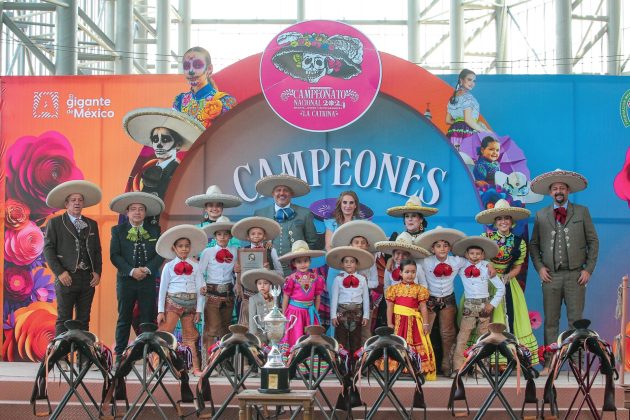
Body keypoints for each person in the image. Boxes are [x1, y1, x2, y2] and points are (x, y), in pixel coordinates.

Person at [530, 169, 599, 375]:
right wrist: (540, 268)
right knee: (550, 321)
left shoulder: (582, 211)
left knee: (575, 322)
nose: (558, 191)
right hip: (551, 276)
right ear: (550, 192)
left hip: (576, 275)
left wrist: (588, 269)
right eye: (555, 188)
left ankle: (575, 364)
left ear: (568, 190)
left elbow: (593, 242)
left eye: (562, 187)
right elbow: (534, 245)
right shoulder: (541, 214)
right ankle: (550, 364)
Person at [475, 199, 539, 367]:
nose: (503, 222)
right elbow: (478, 258)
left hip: (508, 282)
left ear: (512, 222)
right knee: (482, 318)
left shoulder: (519, 242)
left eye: (506, 218)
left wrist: (506, 278)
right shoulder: (485, 238)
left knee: (511, 317)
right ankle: (484, 359)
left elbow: (518, 267)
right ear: (494, 222)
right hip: (486, 282)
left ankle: (509, 359)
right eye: (499, 219)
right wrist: (490, 267)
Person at [109, 192, 165, 360]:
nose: (137, 212)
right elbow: (115, 255)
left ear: (145, 212)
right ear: (127, 212)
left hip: (147, 280)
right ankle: (119, 353)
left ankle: (148, 353)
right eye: (133, 209)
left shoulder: (155, 230)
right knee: (124, 317)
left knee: (148, 317)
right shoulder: (118, 230)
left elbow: (160, 254)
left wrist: (147, 269)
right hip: (126, 281)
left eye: (141, 209)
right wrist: (132, 271)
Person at [44, 180, 103, 337]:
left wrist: (97, 272)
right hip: (66, 277)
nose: (77, 203)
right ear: (66, 203)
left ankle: (83, 358)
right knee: (64, 319)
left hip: (87, 278)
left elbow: (97, 250)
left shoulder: (91, 224)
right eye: (73, 200)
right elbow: (48, 250)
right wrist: (60, 272)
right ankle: (60, 359)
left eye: (80, 200)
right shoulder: (55, 223)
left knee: (84, 319)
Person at [416, 226, 468, 376]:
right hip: (430, 300)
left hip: (448, 299)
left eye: (445, 245)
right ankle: (425, 365)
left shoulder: (457, 261)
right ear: (432, 248)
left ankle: (447, 365)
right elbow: (409, 263)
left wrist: (488, 264)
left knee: (448, 333)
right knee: (426, 330)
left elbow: (474, 261)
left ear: (450, 247)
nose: (442, 248)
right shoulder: (425, 261)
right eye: (438, 246)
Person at [155, 224, 207, 375]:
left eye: (187, 246)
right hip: (173, 303)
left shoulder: (196, 266)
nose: (184, 249)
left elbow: (200, 289)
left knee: (190, 337)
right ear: (174, 248)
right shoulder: (169, 266)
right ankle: (156, 365)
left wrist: (198, 310)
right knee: (165, 334)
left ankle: (195, 368)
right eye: (181, 246)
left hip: (190, 305)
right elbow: (163, 289)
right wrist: (160, 311)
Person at [123, 108, 205, 201]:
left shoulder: (182, 174)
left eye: (165, 139)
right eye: (155, 140)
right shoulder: (145, 170)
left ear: (178, 145)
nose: (159, 144)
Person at [451, 236, 505, 373]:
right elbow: (450, 259)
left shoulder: (487, 268)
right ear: (466, 254)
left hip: (484, 305)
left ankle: (481, 369)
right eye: (472, 253)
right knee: (463, 336)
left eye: (478, 254)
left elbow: (501, 288)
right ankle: (458, 367)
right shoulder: (462, 265)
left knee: (484, 338)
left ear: (483, 255)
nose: (474, 256)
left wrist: (491, 305)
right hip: (469, 305)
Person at [330, 220, 387, 341]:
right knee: (343, 332)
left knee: (364, 331)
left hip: (365, 301)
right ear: (351, 245)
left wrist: (364, 282)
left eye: (363, 243)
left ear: (367, 246)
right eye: (356, 242)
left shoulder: (371, 263)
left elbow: (375, 282)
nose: (360, 245)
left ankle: (365, 357)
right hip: (345, 306)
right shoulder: (346, 264)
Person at [254, 174, 319, 275]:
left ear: (291, 193)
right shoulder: (260, 214)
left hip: (295, 271)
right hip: (268, 270)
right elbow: (255, 242)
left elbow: (312, 241)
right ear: (272, 193)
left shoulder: (305, 213)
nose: (282, 193)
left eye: (286, 190)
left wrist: (301, 262)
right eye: (278, 190)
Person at [385, 259, 436, 380]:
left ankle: (413, 369)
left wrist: (425, 323)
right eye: (407, 272)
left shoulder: (420, 289)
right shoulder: (394, 289)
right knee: (398, 343)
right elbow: (390, 308)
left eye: (413, 272)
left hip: (414, 323)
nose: (410, 274)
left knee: (415, 344)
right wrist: (389, 323)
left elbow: (423, 308)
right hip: (398, 323)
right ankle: (397, 369)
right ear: (401, 273)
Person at [231, 216, 284, 326]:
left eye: (259, 233)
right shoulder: (242, 251)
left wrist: (269, 271)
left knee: (265, 323)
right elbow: (238, 274)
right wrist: (236, 271)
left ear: (264, 236)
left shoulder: (271, 250)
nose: (256, 236)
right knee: (248, 322)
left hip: (266, 293)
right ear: (248, 237)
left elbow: (280, 273)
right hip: (247, 293)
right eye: (253, 233)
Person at [323, 191, 361, 334]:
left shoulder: (360, 223)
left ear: (355, 205)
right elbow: (328, 247)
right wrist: (342, 261)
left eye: (351, 202)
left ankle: (351, 346)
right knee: (336, 309)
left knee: (353, 308)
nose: (348, 205)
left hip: (355, 271)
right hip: (336, 270)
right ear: (340, 204)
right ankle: (335, 343)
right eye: (345, 202)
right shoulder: (331, 222)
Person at [198, 216, 237, 355]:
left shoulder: (235, 251)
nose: (222, 237)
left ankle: (223, 360)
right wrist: (202, 286)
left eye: (225, 234)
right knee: (212, 328)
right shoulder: (207, 252)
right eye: (219, 234)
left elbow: (237, 271)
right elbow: (200, 272)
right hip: (212, 293)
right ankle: (209, 360)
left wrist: (237, 283)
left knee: (225, 329)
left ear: (230, 236)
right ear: (215, 236)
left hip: (228, 294)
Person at [327, 246, 373, 358]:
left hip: (357, 313)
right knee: (341, 338)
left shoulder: (362, 279)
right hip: (342, 312)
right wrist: (333, 316)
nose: (349, 264)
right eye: (346, 261)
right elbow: (334, 299)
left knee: (356, 338)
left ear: (356, 264)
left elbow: (366, 298)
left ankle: (355, 364)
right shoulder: (338, 279)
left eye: (352, 261)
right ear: (342, 264)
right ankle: (342, 363)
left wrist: (366, 315)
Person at [173, 46, 237, 128]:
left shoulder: (225, 101)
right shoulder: (179, 100)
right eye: (186, 66)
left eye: (197, 65)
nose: (191, 71)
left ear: (209, 69)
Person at [279, 240, 326, 348]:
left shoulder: (316, 278)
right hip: (294, 313)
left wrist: (315, 312)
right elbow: (286, 296)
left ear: (310, 261)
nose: (303, 264)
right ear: (294, 263)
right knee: (295, 337)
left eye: (305, 261)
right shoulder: (291, 279)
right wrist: (284, 314)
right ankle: (293, 357)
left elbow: (317, 296)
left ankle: (308, 358)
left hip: (309, 312)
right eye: (299, 262)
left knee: (311, 339)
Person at [445, 69, 490, 151]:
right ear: (461, 80)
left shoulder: (453, 98)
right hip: (466, 133)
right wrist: (484, 131)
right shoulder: (468, 98)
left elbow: (448, 120)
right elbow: (468, 120)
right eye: (469, 80)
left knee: (455, 159)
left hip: (453, 131)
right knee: (467, 160)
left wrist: (459, 123)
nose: (472, 83)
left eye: (474, 81)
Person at [243, 269, 285, 345]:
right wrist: (253, 334)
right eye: (259, 283)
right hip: (260, 331)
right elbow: (252, 318)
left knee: (274, 346)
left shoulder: (276, 297)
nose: (262, 286)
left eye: (265, 283)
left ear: (270, 285)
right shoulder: (253, 299)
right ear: (256, 285)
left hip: (274, 330)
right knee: (261, 348)